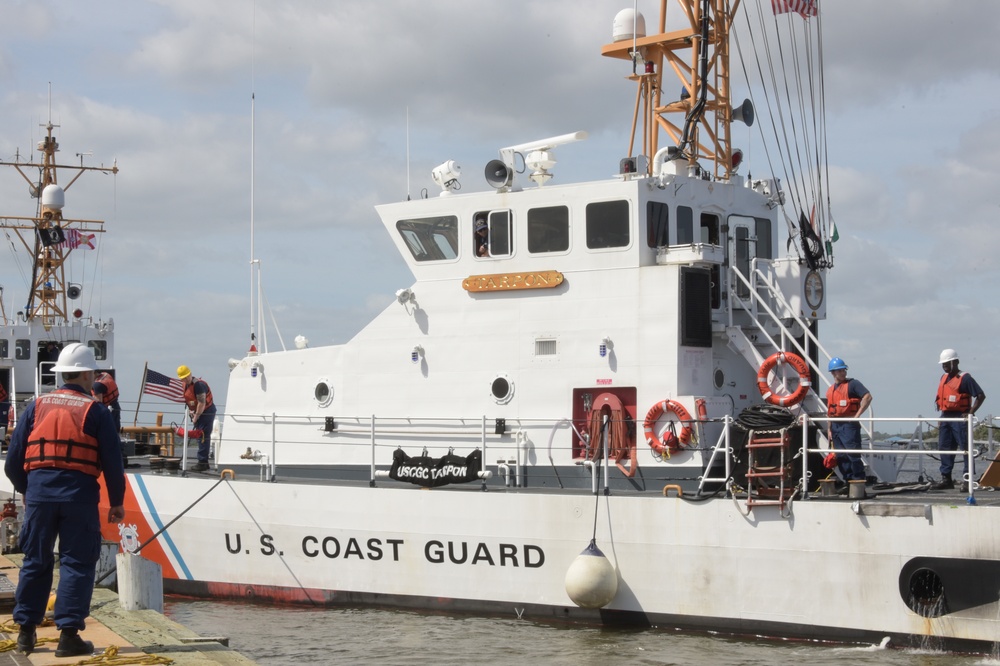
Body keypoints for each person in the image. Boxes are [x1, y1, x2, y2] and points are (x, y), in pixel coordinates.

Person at [4, 343, 125, 658]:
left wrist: (27, 489)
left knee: (35, 561)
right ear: (87, 374)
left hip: (40, 495)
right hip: (79, 496)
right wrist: (116, 502)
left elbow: (13, 459)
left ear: (60, 374)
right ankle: (68, 636)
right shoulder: (95, 411)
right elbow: (113, 462)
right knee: (76, 563)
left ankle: (26, 634)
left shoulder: (35, 406)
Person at [933, 348, 986, 491]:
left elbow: (980, 395)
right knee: (945, 448)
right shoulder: (943, 378)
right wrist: (942, 416)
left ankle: (967, 480)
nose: (944, 366)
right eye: (943, 364)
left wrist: (970, 412)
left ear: (955, 362)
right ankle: (946, 479)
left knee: (965, 449)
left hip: (960, 417)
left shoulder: (965, 378)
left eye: (947, 363)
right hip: (946, 417)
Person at [825, 357, 872, 483]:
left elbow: (867, 397)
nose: (843, 372)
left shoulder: (853, 384)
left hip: (849, 425)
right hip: (835, 426)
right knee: (841, 456)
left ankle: (858, 482)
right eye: (840, 371)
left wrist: (857, 415)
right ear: (833, 373)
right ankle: (847, 481)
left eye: (844, 370)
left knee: (853, 454)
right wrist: (829, 429)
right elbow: (829, 412)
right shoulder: (831, 390)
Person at [177, 365, 217, 472]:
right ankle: (203, 461)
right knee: (200, 437)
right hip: (197, 413)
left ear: (190, 374)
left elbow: (201, 402)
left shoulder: (199, 385)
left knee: (203, 436)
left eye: (187, 377)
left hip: (206, 412)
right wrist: (191, 411)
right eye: (183, 378)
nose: (186, 379)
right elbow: (191, 400)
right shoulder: (185, 385)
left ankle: (203, 462)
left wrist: (196, 416)